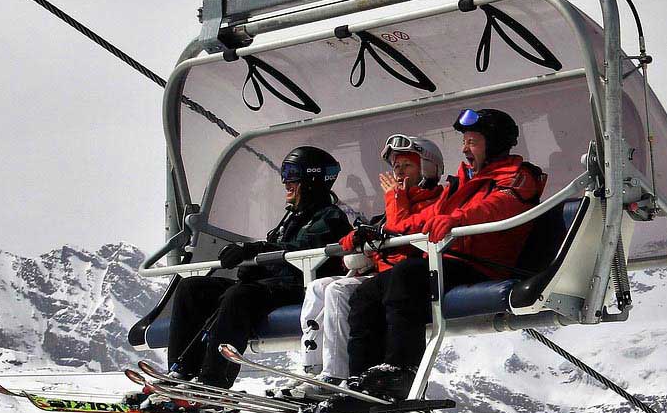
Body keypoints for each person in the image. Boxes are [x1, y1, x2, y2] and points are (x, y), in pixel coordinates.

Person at [346, 109, 546, 398]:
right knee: (366, 293)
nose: (465, 149)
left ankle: (401, 371)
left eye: (473, 142)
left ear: (495, 144)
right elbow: (428, 219)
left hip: (482, 266)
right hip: (447, 260)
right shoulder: (463, 182)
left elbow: (498, 207)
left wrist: (459, 218)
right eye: (464, 142)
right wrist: (385, 231)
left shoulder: (518, 177)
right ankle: (361, 379)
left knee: (405, 276)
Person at [162, 145, 352, 390]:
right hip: (274, 285)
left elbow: (300, 249)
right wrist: (252, 265)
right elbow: (277, 249)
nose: (286, 184)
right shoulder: (292, 218)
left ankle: (214, 380)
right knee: (192, 288)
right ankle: (181, 373)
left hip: (300, 287)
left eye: (293, 178)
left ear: (312, 181)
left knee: (238, 296)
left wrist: (256, 251)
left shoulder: (330, 217)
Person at [298, 134, 446, 382]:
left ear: (428, 168)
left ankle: (336, 375)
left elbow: (403, 232)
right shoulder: (394, 207)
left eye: (407, 165)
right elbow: (363, 237)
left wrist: (394, 200)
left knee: (338, 290)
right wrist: (359, 238)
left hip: (407, 278)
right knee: (318, 287)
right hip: (382, 275)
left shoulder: (437, 203)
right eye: (396, 166)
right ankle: (315, 370)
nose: (398, 173)